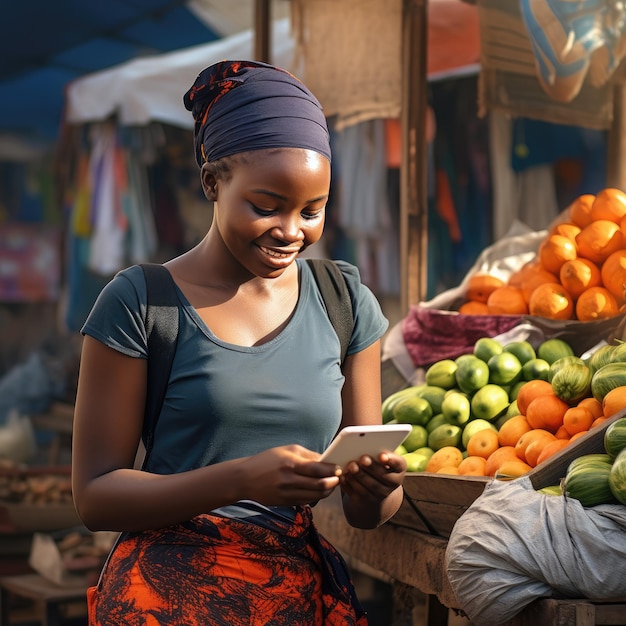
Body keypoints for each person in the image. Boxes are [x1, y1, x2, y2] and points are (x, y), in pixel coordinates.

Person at [71, 59, 407, 626]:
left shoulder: (345, 302)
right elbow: (95, 497)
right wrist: (242, 478)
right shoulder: (140, 302)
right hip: (166, 597)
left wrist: (377, 487)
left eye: (312, 211)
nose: (291, 231)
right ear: (212, 183)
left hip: (292, 596)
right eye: (267, 206)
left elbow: (367, 513)